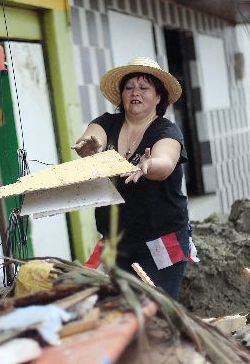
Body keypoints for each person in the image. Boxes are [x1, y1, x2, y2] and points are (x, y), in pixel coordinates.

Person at [74, 57, 195, 300]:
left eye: (144, 88)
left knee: (156, 306)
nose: (135, 93)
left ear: (159, 97)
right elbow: (90, 139)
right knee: (119, 309)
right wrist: (89, 147)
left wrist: (149, 165)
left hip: (162, 238)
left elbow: (166, 162)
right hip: (117, 241)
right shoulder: (107, 123)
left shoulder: (166, 131)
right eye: (129, 88)